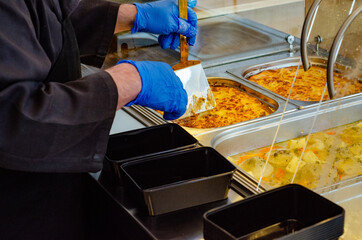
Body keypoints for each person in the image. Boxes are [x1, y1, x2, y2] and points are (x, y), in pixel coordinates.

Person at [0, 0, 197, 239]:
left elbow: (41, 22)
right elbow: (11, 117)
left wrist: (132, 16)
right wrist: (126, 81)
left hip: (52, 181)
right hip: (18, 205)